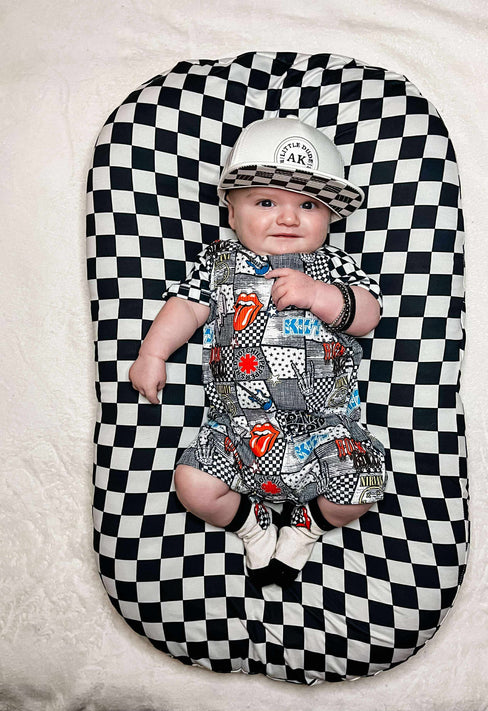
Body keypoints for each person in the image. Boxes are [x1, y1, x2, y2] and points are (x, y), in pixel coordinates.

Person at [129, 116, 386, 588]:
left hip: (327, 429)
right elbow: (185, 307)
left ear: (330, 216)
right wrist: (152, 353)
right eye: (266, 202)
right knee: (193, 486)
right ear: (232, 215)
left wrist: (318, 295)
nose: (288, 218)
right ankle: (252, 524)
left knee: (365, 485)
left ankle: (306, 527)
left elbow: (367, 315)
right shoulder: (218, 262)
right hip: (238, 429)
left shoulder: (334, 264)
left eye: (308, 205)